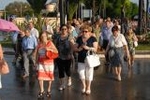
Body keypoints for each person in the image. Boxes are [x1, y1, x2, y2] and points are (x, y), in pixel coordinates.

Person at [74, 25, 98, 95]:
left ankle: (88, 87)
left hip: (90, 59)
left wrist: (88, 48)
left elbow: (96, 49)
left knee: (89, 74)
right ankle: (84, 86)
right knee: (81, 73)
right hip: (81, 58)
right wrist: (79, 49)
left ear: (89, 32)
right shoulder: (79, 39)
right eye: (83, 31)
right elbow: (75, 48)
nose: (84, 33)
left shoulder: (93, 38)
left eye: (86, 31)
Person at [35, 31, 58, 98]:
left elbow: (56, 51)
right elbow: (37, 54)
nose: (43, 38)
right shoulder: (39, 44)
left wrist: (49, 49)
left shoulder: (50, 43)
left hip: (49, 62)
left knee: (49, 77)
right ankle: (41, 90)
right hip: (41, 62)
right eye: (42, 36)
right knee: (40, 77)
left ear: (47, 36)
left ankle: (48, 90)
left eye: (44, 36)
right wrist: (36, 62)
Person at [55, 24, 74, 91]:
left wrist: (70, 54)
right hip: (59, 56)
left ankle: (69, 77)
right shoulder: (58, 37)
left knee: (67, 70)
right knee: (61, 71)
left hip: (67, 57)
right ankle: (62, 84)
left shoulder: (69, 37)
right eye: (62, 29)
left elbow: (72, 46)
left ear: (67, 30)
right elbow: (55, 46)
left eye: (65, 29)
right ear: (60, 30)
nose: (64, 30)